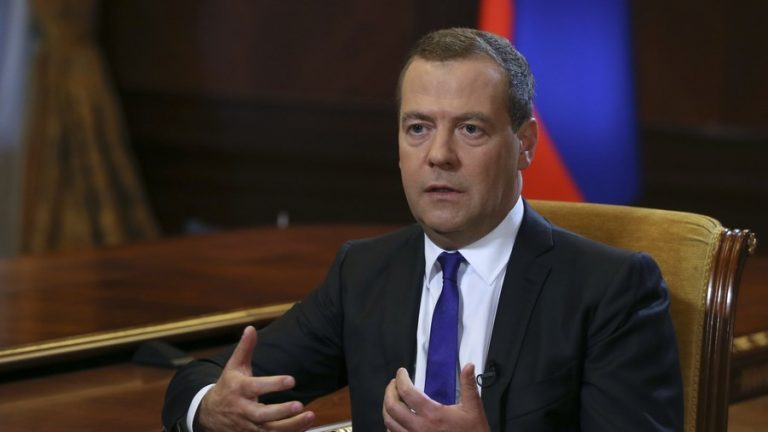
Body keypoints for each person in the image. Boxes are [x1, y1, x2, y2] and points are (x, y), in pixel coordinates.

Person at [162, 28, 683, 431]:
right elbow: (208, 380)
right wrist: (210, 407)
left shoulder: (611, 289)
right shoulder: (363, 272)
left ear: (524, 144)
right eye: (418, 128)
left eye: (470, 129)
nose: (439, 156)